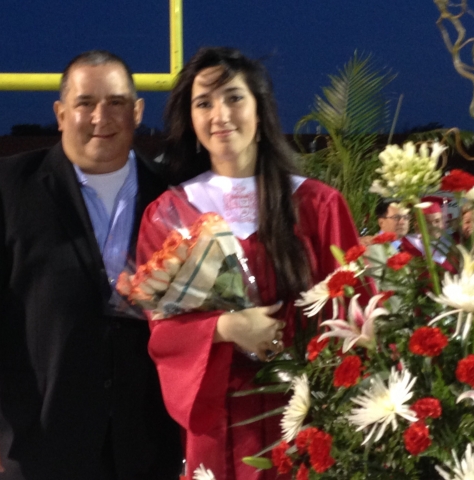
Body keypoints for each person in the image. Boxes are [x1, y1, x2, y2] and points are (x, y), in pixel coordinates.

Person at [0, 51, 182, 480]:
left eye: (116, 102)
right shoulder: (6, 186)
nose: (100, 116)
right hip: (36, 442)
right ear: (61, 113)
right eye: (85, 102)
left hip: (144, 442)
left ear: (138, 111)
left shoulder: (174, 197)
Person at [135, 47, 374, 480]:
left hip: (305, 413)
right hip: (218, 416)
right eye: (203, 103)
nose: (219, 114)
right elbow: (160, 327)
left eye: (233, 98)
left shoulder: (318, 205)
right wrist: (225, 329)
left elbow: (356, 314)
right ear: (191, 121)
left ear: (260, 112)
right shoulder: (170, 214)